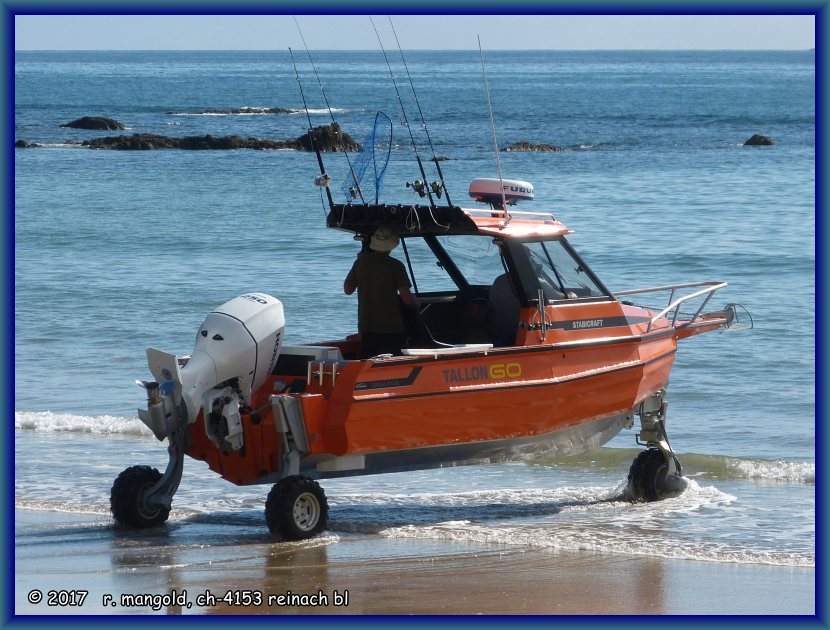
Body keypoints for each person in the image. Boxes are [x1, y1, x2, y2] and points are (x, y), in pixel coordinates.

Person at [344, 227, 418, 359]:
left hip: (367, 327)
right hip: (391, 329)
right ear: (392, 246)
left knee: (370, 362)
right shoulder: (396, 266)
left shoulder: (361, 263)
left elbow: (348, 290)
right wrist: (416, 304)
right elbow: (407, 299)